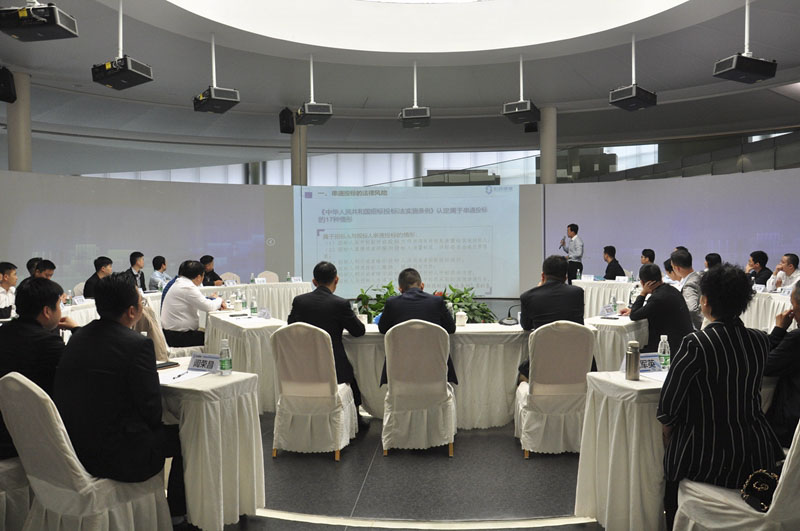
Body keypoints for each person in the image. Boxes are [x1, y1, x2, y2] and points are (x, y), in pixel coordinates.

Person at [657, 264, 782, 530]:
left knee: (669, 476)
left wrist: (668, 434)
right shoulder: (760, 340)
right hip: (755, 453)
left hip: (705, 454)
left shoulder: (696, 343)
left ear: (704, 301)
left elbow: (669, 406)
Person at [54, 273, 187, 522]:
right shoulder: (137, 345)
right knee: (187, 437)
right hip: (119, 457)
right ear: (132, 311)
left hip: (73, 448)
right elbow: (151, 411)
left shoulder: (78, 337)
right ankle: (177, 514)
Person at [0, 278, 79, 458]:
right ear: (47, 311)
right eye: (59, 305)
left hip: (6, 426)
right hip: (32, 437)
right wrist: (77, 329)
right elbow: (77, 369)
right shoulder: (48, 343)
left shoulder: (3, 332)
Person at [287, 261, 367, 412]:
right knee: (353, 375)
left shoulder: (299, 301)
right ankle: (354, 417)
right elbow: (358, 331)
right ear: (336, 280)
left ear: (314, 282)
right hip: (334, 367)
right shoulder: (340, 304)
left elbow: (291, 327)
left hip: (303, 365)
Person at [378, 268, 457, 386]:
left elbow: (383, 329)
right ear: (422, 286)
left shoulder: (392, 303)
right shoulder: (436, 301)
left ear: (400, 289)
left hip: (401, 372)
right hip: (434, 370)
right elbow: (451, 329)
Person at [517, 255, 584, 379]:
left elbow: (526, 326)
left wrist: (538, 289)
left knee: (521, 377)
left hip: (542, 367)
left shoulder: (528, 297)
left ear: (543, 276)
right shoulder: (577, 293)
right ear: (566, 277)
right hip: (576, 366)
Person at [620, 264, 694, 354]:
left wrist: (643, 293)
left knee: (631, 352)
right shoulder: (671, 290)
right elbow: (647, 310)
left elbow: (634, 315)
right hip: (682, 343)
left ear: (643, 283)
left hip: (671, 348)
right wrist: (635, 310)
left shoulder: (657, 298)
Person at [764, 282, 800, 447]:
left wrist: (779, 330)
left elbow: (765, 366)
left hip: (789, 424)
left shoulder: (796, 338)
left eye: (793, 305)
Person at [160, 260, 225, 347]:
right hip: (178, 336)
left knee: (209, 336)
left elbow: (200, 300)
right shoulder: (187, 287)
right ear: (199, 277)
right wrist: (219, 300)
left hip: (172, 334)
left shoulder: (181, 283)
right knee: (215, 339)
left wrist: (214, 299)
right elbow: (209, 306)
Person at [670, 249, 702, 330]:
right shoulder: (698, 276)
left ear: (677, 268)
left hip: (696, 329)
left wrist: (700, 328)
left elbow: (691, 310)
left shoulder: (689, 285)